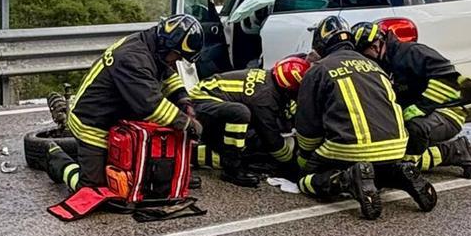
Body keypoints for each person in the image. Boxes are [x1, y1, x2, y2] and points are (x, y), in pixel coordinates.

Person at [295, 16, 437, 220]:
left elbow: (308, 125)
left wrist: (305, 157)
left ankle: (346, 179)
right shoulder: (374, 66)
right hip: (396, 146)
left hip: (351, 147)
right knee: (373, 169)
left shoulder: (319, 70)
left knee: (305, 179)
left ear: (320, 43)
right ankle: (399, 174)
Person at [45, 15, 203, 193]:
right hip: (92, 124)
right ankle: (58, 162)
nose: (177, 61)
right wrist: (187, 124)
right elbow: (152, 107)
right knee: (91, 189)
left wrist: (184, 100)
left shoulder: (152, 45)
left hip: (116, 121)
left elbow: (167, 74)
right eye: (178, 56)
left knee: (131, 176)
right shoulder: (133, 59)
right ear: (167, 46)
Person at [352, 22, 471, 179]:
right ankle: (451, 151)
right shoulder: (384, 63)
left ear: (376, 46)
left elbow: (449, 81)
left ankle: (450, 152)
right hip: (419, 114)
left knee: (407, 145)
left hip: (448, 112)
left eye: (364, 55)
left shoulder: (412, 53)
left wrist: (421, 107)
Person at [183, 55, 312, 181]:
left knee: (246, 144)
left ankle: (193, 155)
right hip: (199, 104)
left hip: (211, 101)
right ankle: (232, 169)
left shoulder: (272, 82)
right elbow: (272, 140)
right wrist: (291, 163)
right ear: (290, 89)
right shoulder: (265, 99)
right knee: (241, 113)